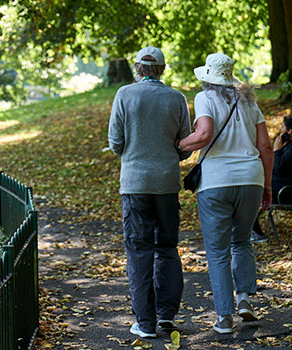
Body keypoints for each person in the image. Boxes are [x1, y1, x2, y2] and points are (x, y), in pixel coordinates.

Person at [176, 53, 274, 334]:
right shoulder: (250, 101)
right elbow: (266, 146)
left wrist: (179, 144)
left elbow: (204, 134)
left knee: (218, 252)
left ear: (207, 77)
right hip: (251, 180)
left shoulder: (204, 98)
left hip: (216, 183)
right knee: (241, 242)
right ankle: (244, 299)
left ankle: (224, 318)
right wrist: (267, 185)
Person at [108, 46, 192, 338]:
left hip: (135, 184)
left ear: (137, 69)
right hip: (167, 183)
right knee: (167, 248)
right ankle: (167, 316)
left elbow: (116, 142)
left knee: (139, 251)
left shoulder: (125, 95)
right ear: (163, 70)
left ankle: (145, 323)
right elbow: (185, 143)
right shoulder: (176, 98)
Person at [251, 114, 292, 242]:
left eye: (282, 127)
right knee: (249, 189)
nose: (280, 130)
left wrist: (276, 150)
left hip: (288, 192)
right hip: (281, 187)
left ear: (289, 131)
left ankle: (256, 232)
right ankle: (251, 230)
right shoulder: (291, 145)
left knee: (252, 192)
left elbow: (278, 168)